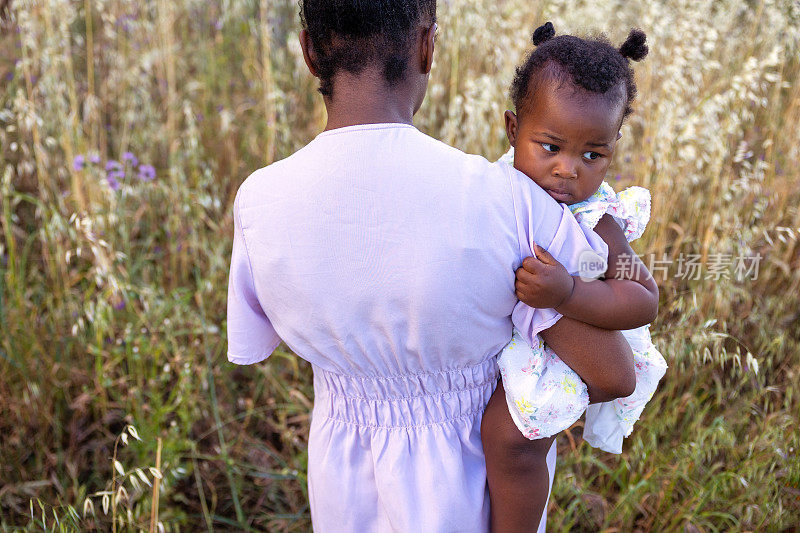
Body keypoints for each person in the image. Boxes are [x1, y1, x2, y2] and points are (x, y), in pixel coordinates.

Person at [226, 3, 635, 531]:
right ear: (426, 46)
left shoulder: (259, 202)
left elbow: (255, 343)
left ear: (307, 51)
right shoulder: (509, 202)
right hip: (471, 493)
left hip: (342, 483)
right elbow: (613, 372)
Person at [481, 22, 668, 532]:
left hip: (572, 343)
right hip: (522, 339)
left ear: (612, 148)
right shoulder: (494, 187)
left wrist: (568, 292)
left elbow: (642, 297)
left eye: (592, 155)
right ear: (512, 127)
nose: (568, 170)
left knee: (510, 440)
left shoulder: (598, 218)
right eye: (550, 147)